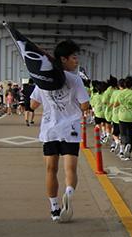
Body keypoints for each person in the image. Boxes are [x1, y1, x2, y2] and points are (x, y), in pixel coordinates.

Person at [27, 40, 92, 223]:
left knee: (50, 169)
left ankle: (54, 208)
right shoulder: (74, 79)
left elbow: (32, 105)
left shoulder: (44, 79)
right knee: (70, 168)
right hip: (70, 128)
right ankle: (69, 193)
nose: (76, 60)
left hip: (50, 130)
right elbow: (85, 104)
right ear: (63, 59)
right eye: (74, 57)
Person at [114, 77, 132, 160]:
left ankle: (125, 145)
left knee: (123, 133)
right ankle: (129, 151)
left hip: (122, 116)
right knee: (130, 134)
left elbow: (115, 104)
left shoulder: (121, 93)